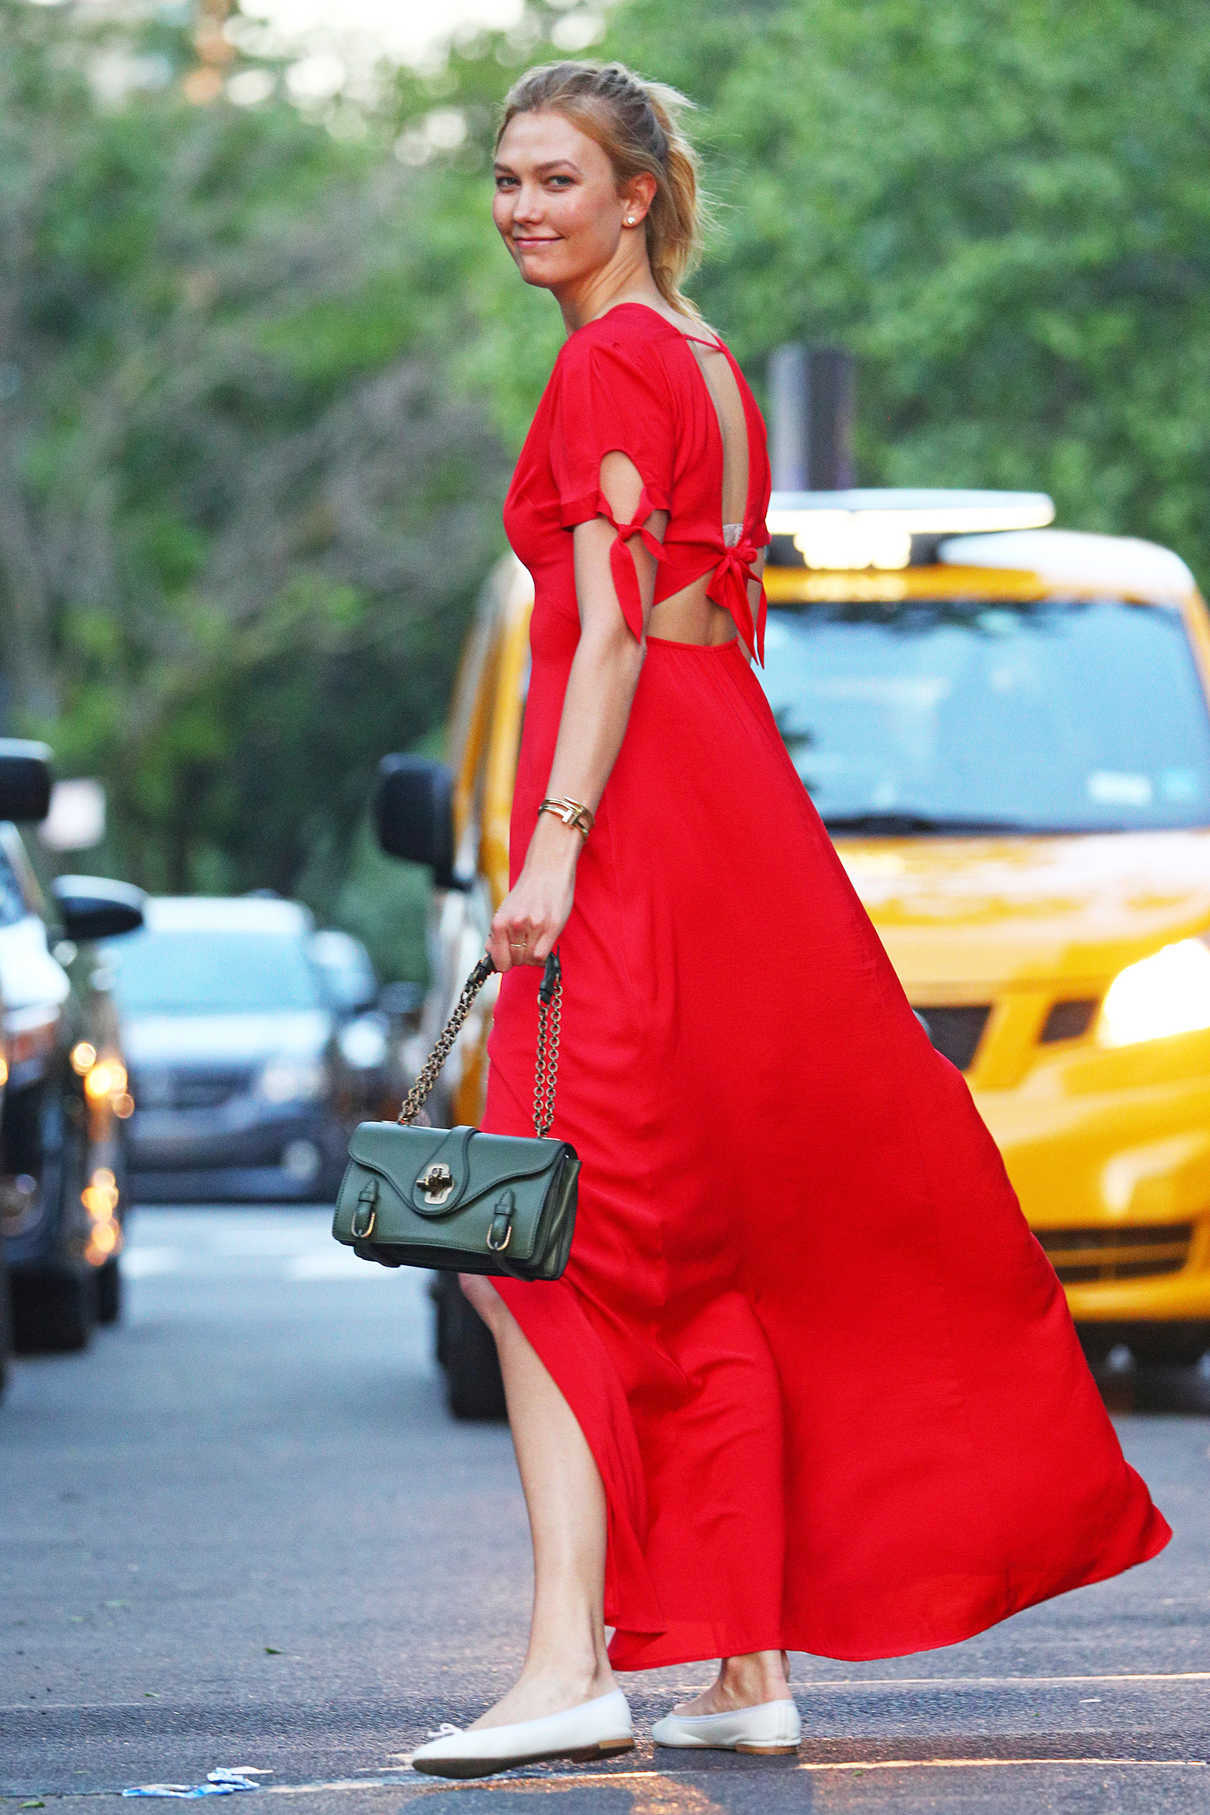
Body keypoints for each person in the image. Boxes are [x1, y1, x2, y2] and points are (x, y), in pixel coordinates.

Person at [408, 58, 1173, 1781]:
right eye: (507, 180)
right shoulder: (701, 362)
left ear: (635, 195)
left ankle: (563, 1670)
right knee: (695, 1250)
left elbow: (605, 632)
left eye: (555, 180)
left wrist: (550, 846)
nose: (523, 207)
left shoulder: (610, 361)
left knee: (533, 1253)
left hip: (633, 834)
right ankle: (741, 1669)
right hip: (725, 812)